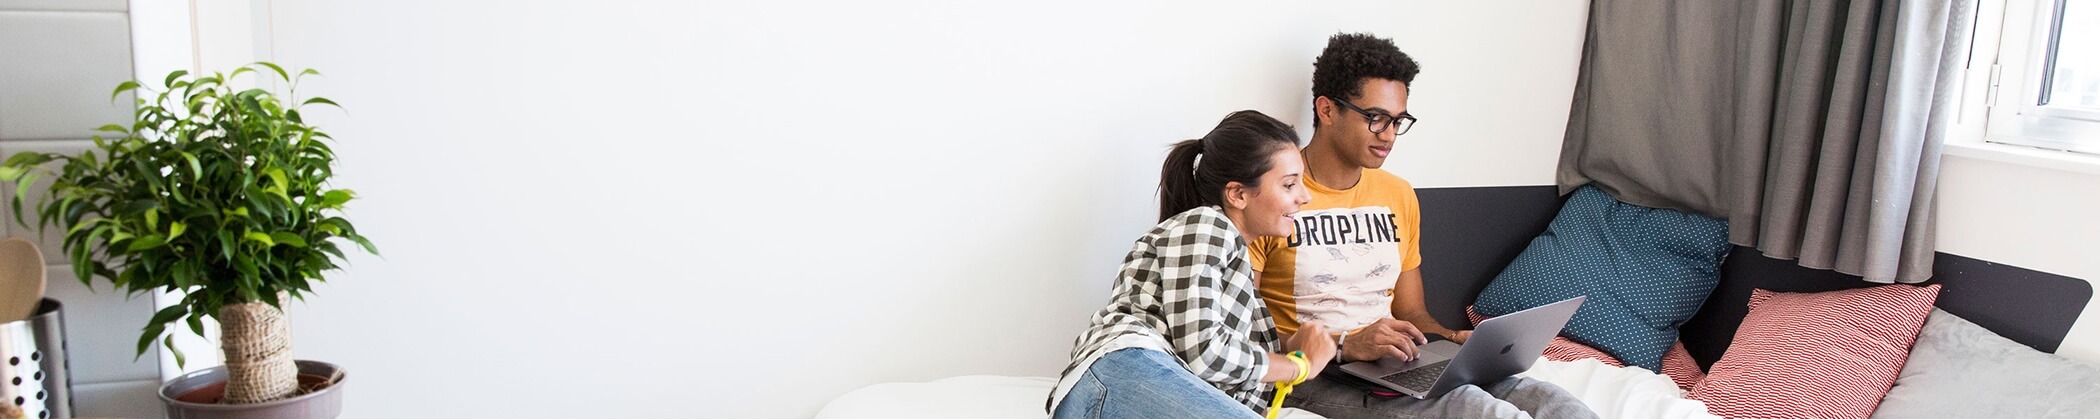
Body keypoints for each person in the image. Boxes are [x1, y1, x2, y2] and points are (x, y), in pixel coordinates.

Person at [1249, 33, 1596, 419]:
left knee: (1550, 400)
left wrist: (1452, 339)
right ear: (1327, 110)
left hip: (1391, 365)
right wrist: (1347, 343)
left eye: (1398, 121)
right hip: (1315, 374)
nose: (1389, 135)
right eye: (1376, 118)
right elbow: (1243, 335)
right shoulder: (1273, 194)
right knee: (1478, 410)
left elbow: (1412, 312)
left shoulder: (1397, 193)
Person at [1049, 110, 1334, 419]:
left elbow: (1214, 372)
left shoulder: (1234, 269)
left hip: (1125, 384)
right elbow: (1206, 354)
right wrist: (1299, 365)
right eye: (1289, 185)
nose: (1304, 197)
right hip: (1123, 371)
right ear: (1238, 194)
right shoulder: (1207, 224)